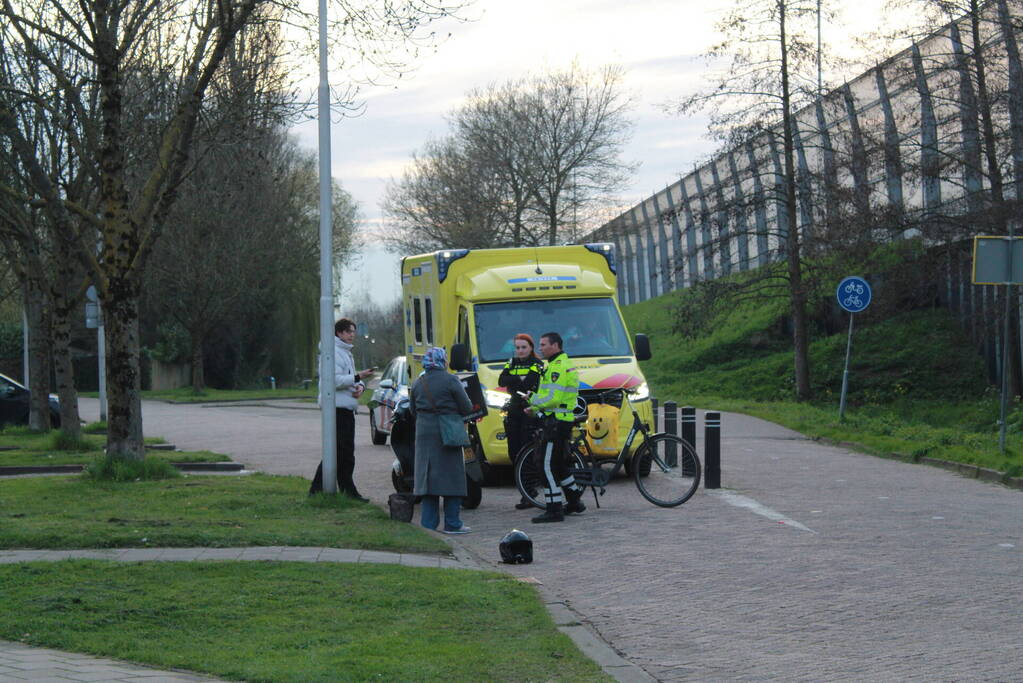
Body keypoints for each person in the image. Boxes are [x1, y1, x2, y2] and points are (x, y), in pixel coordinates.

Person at [410, 346, 475, 534]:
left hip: (423, 433)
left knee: (428, 480)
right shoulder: (450, 380)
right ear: (443, 361)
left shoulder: (418, 382)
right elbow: (466, 406)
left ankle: (428, 526)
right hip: (448, 432)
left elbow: (413, 410)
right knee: (452, 478)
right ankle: (453, 524)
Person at [309, 318, 375, 499]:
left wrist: (360, 385)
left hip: (346, 407)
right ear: (339, 333)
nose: (352, 334)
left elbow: (350, 378)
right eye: (348, 331)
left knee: (346, 452)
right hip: (337, 408)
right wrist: (357, 377)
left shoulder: (345, 353)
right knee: (338, 451)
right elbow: (334, 381)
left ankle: (345, 490)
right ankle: (318, 490)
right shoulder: (333, 353)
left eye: (353, 331)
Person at [524, 332, 586, 523]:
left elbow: (554, 398)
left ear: (556, 345)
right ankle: (575, 500)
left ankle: (554, 509)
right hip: (559, 419)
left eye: (543, 344)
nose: (540, 348)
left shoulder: (557, 367)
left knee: (546, 465)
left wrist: (532, 400)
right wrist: (535, 409)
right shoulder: (557, 364)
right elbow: (553, 398)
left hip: (556, 423)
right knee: (559, 464)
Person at [498, 333, 545, 510]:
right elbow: (501, 380)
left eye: (523, 347)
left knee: (528, 452)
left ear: (531, 348)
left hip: (529, 410)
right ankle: (525, 492)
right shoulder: (511, 362)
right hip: (514, 410)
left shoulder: (537, 364)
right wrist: (519, 380)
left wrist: (516, 382)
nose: (520, 351)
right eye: (517, 347)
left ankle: (530, 491)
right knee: (514, 452)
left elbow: (529, 384)